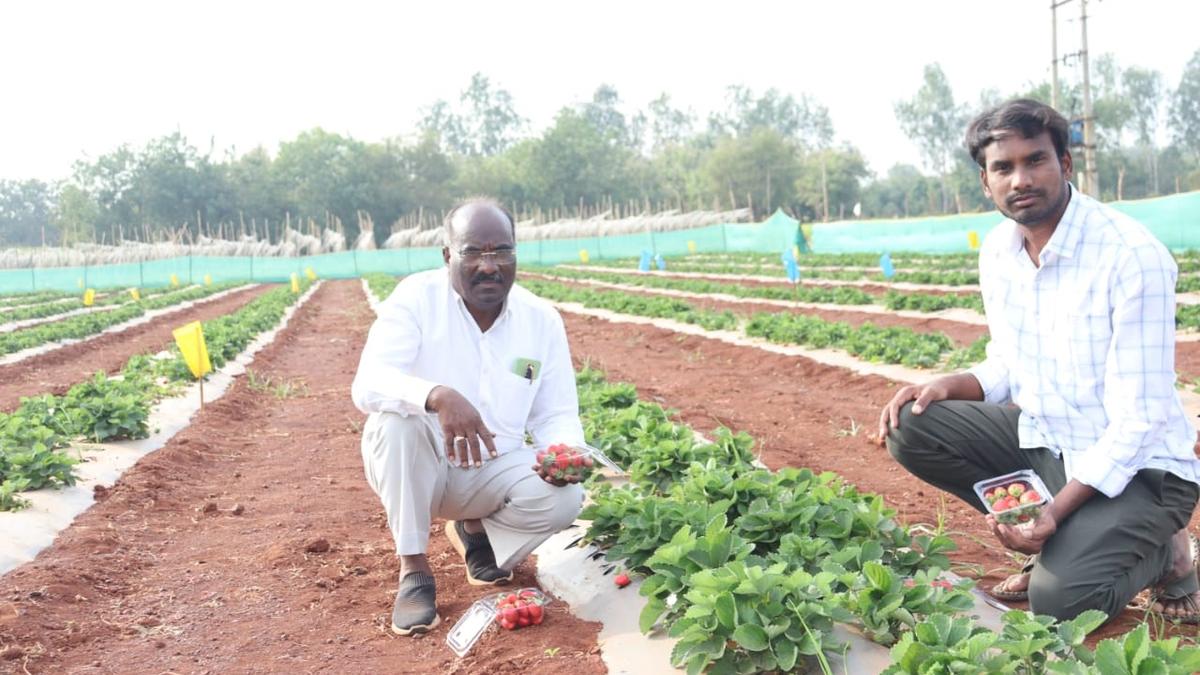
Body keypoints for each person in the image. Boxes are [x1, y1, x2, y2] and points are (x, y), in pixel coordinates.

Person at [878, 99, 1200, 624]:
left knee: (1060, 603)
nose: (1020, 179)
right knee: (914, 426)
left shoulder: (1130, 257)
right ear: (986, 182)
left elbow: (1139, 421)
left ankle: (1167, 551)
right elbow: (1008, 361)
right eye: (1004, 168)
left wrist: (1052, 511)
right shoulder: (999, 253)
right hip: (1053, 441)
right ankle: (1068, 537)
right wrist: (949, 383)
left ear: (1065, 165)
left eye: (1036, 161)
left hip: (1144, 470)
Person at [351, 198, 585, 635]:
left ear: (516, 253)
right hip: (424, 468)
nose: (489, 265)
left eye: (502, 251)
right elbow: (368, 382)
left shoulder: (541, 320)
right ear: (447, 256)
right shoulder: (416, 299)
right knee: (394, 423)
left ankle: (479, 534)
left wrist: (565, 454)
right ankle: (414, 569)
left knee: (566, 498)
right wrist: (435, 395)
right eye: (473, 252)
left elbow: (556, 412)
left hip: (494, 469)